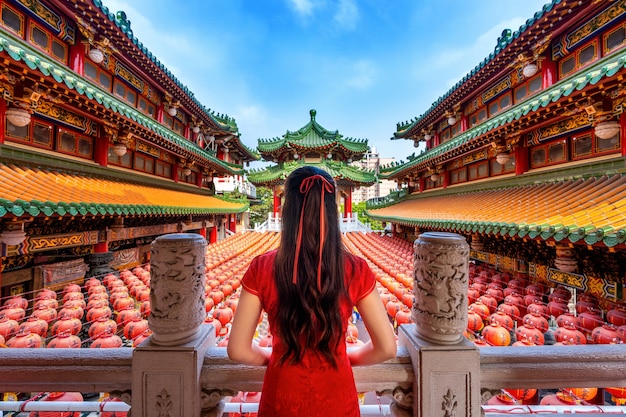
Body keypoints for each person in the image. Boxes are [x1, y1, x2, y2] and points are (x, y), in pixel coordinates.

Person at [228, 166, 397, 417]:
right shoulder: (355, 269)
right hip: (337, 398)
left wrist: (275, 356)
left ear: (288, 211)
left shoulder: (262, 268)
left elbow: (237, 349)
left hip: (282, 397)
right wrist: (344, 356)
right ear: (332, 212)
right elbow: (387, 348)